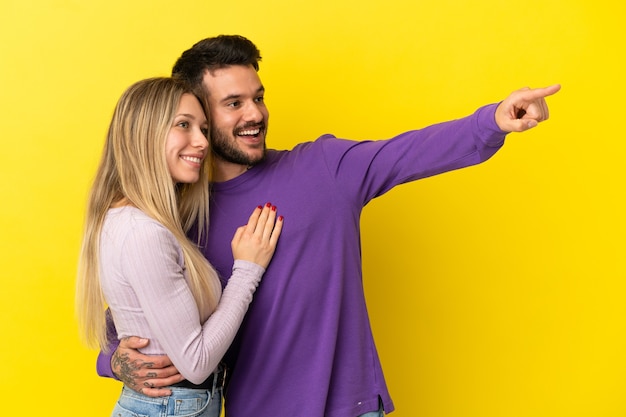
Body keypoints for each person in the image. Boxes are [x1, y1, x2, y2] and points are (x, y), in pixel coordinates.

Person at [96, 36, 560, 417]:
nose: (255, 114)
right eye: (233, 103)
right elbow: (132, 305)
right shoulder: (176, 216)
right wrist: (114, 360)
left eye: (258, 97)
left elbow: (408, 152)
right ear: (199, 117)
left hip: (350, 407)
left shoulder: (324, 168)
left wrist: (493, 121)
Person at [76, 76, 283, 417]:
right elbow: (196, 362)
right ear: (144, 134)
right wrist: (248, 270)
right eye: (183, 125)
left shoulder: (133, 220)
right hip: (171, 407)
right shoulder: (143, 232)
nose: (201, 142)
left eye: (202, 128)